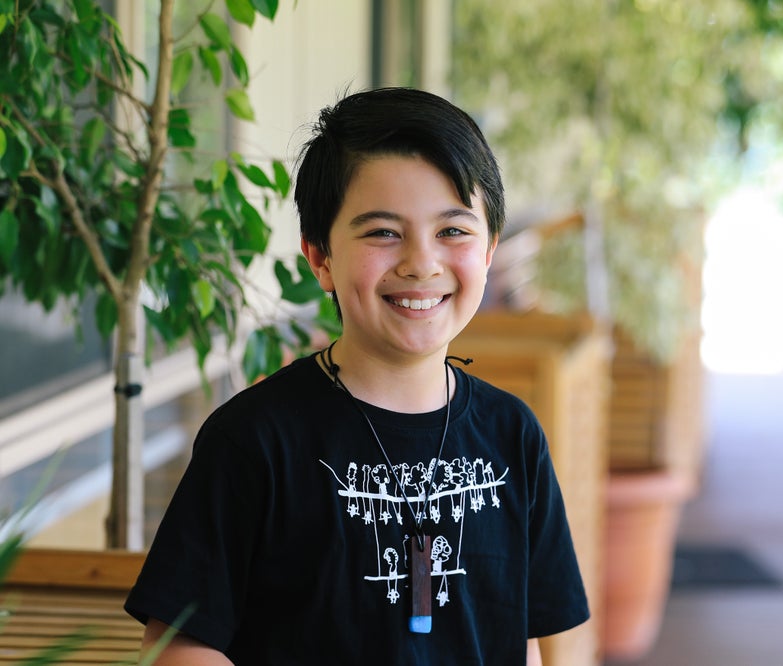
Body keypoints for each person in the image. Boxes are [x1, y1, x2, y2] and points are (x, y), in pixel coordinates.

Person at [125, 87, 589, 665]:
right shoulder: (254, 439)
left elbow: (547, 637)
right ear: (320, 257)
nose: (421, 263)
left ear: (490, 248)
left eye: (453, 231)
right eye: (382, 232)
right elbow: (177, 646)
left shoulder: (512, 434)